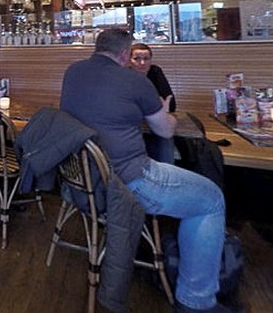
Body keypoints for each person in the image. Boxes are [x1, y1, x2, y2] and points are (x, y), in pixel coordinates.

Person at [60, 29, 229, 313]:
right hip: (129, 181)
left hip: (83, 179)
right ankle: (196, 301)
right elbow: (165, 131)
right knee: (211, 199)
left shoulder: (73, 72)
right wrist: (167, 112)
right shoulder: (136, 81)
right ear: (125, 54)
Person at [130, 42, 177, 164]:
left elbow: (170, 103)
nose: (142, 63)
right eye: (137, 59)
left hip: (153, 122)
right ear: (129, 61)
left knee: (164, 135)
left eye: (146, 59)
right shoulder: (124, 75)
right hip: (131, 125)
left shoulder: (155, 72)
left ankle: (166, 170)